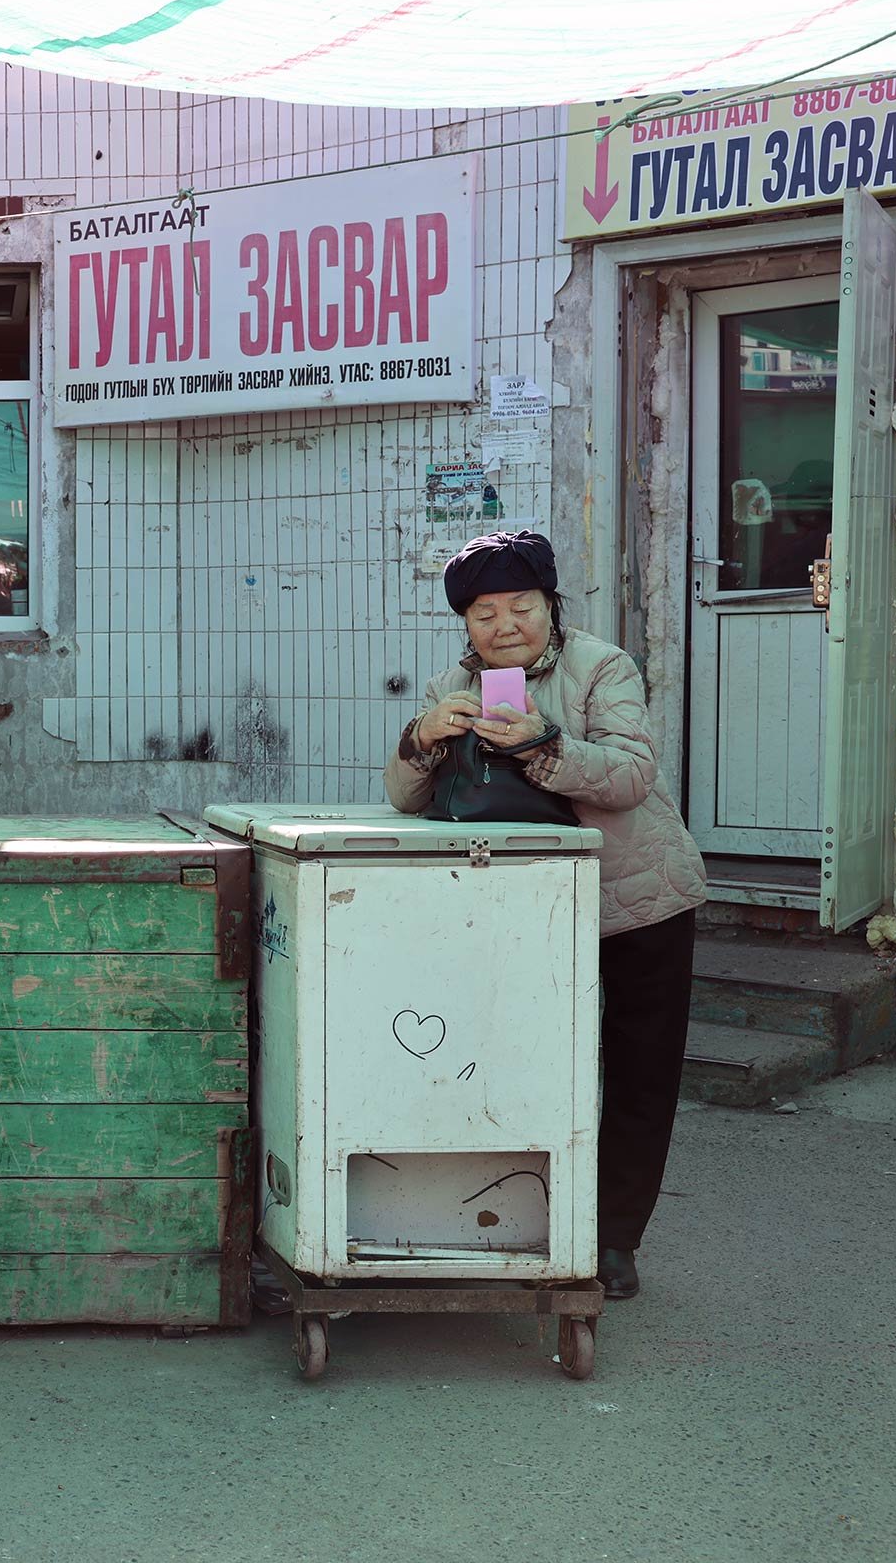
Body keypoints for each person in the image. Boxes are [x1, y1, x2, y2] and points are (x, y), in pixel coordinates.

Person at [385, 530, 707, 1300]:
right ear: (465, 623)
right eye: (483, 613)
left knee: (637, 1079)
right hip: (524, 914)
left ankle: (613, 1242)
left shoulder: (603, 667)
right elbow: (405, 798)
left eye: (521, 606)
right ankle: (521, 1224)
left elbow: (631, 774)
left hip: (636, 901)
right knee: (528, 1071)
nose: (504, 627)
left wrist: (544, 742)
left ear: (551, 606)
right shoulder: (450, 686)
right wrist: (422, 737)